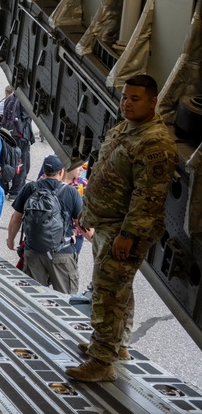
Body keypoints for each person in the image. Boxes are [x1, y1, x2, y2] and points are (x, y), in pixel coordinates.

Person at [66, 75, 177, 383]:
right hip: (106, 222)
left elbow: (149, 197)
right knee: (119, 289)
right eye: (125, 97)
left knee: (107, 292)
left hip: (123, 229)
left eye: (135, 98)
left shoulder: (155, 143)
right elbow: (103, 172)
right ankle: (118, 345)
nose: (126, 102)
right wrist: (87, 212)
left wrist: (128, 235)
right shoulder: (124, 129)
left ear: (153, 101)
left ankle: (101, 361)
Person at [6, 155, 82, 291]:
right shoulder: (71, 192)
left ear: (44, 171)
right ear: (61, 172)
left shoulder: (30, 188)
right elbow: (83, 224)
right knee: (67, 298)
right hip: (62, 253)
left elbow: (16, 218)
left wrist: (10, 240)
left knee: (35, 296)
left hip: (33, 250)